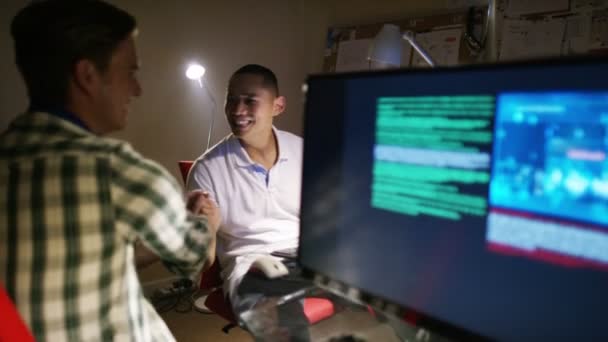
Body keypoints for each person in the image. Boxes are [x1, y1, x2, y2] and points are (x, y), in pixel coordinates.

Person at [0, 1, 219, 341]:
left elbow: (81, 263)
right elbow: (194, 259)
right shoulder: (120, 174)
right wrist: (207, 224)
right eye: (130, 73)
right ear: (87, 76)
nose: (137, 89)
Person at [186, 64, 305, 313]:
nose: (237, 110)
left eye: (250, 101)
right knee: (283, 315)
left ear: (278, 106)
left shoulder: (302, 151)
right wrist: (204, 228)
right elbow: (196, 259)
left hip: (304, 256)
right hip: (250, 266)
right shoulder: (207, 169)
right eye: (232, 100)